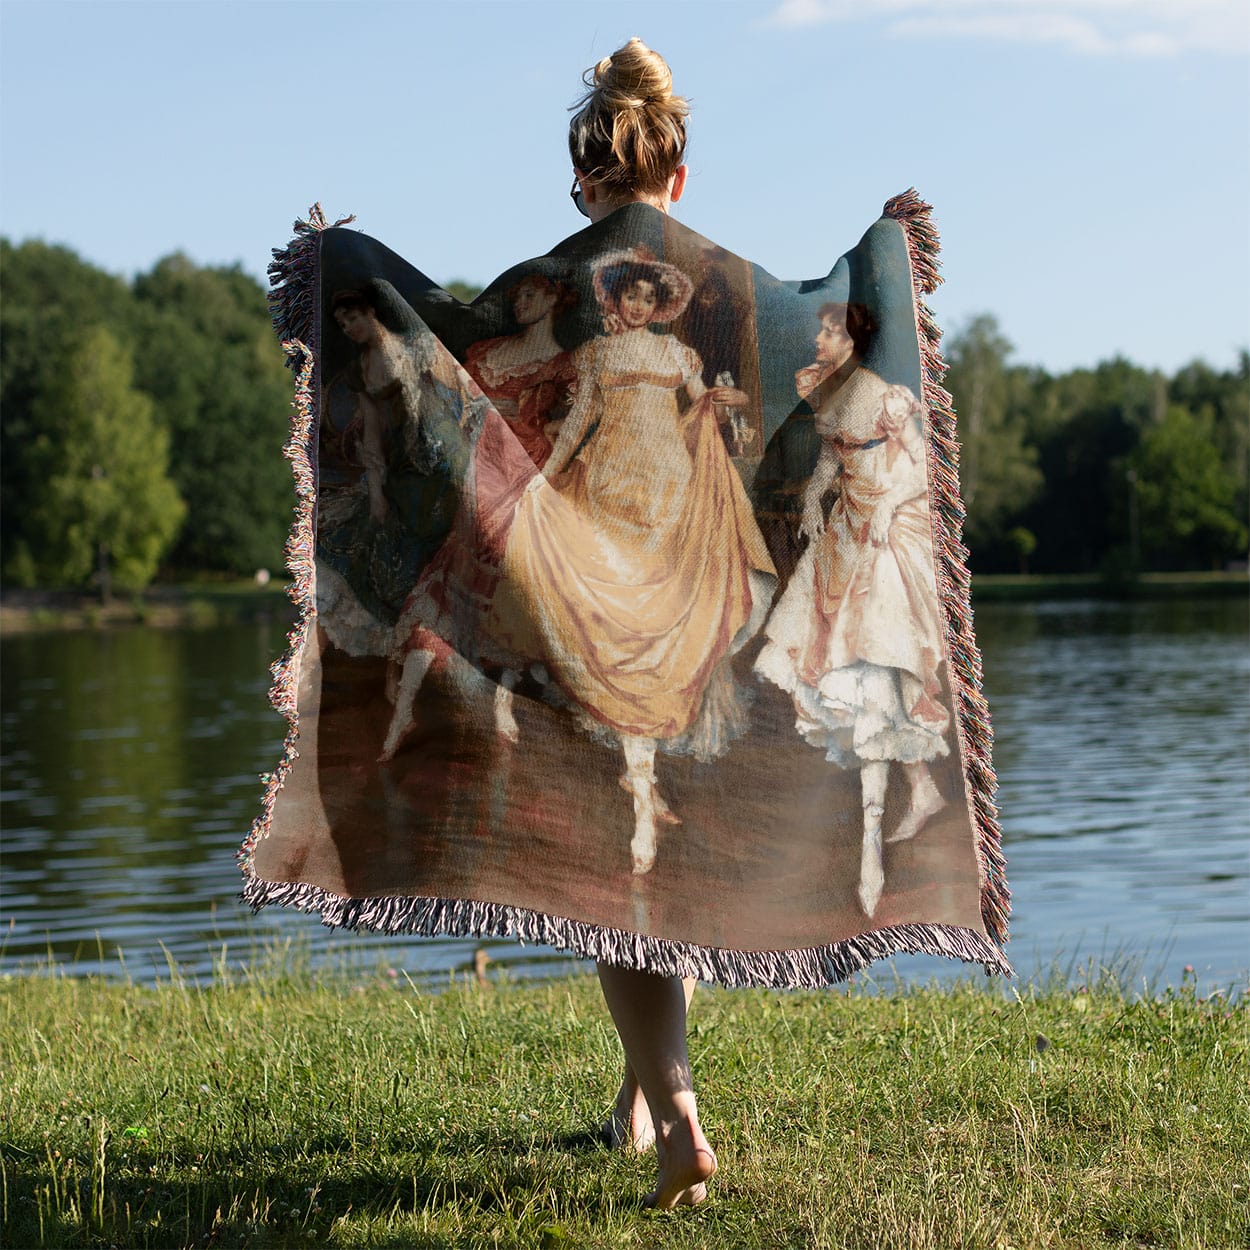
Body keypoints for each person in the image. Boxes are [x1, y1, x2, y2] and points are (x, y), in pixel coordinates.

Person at [755, 303, 950, 918]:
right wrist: (814, 497)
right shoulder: (832, 397)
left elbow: (922, 466)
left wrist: (889, 509)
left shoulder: (884, 397)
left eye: (830, 329)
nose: (820, 337)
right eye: (818, 328)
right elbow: (832, 460)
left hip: (885, 531)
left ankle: (899, 816)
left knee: (878, 666)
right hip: (845, 529)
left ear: (855, 338)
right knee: (830, 668)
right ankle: (918, 789)